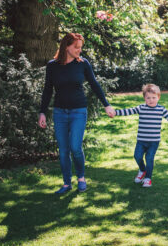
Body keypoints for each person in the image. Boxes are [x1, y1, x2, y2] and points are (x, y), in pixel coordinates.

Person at [38, 32, 115, 194]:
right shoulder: (52, 66)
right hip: (59, 112)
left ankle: (81, 177)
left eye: (81, 47)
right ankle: (67, 183)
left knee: (75, 147)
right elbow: (47, 90)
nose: (80, 50)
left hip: (78, 111)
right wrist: (42, 112)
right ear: (66, 46)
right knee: (64, 150)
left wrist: (106, 105)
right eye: (76, 47)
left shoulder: (83, 64)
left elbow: (94, 85)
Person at [112, 84, 168, 188]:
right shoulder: (141, 108)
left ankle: (148, 178)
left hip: (154, 141)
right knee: (137, 156)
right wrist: (115, 112)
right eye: (148, 98)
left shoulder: (161, 109)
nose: (151, 100)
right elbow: (128, 111)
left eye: (154, 97)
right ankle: (142, 170)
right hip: (141, 140)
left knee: (149, 158)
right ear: (144, 98)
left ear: (158, 97)